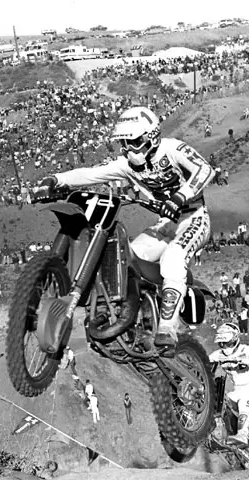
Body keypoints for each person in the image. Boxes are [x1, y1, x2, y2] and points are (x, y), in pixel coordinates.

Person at [41, 107, 215, 353]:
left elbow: (205, 170)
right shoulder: (126, 165)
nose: (129, 148)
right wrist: (56, 180)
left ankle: (167, 329)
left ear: (151, 137)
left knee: (173, 260)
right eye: (124, 143)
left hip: (194, 218)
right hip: (165, 224)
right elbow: (92, 174)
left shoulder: (172, 149)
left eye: (133, 142)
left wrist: (179, 197)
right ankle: (138, 315)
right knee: (124, 259)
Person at [209, 323, 249, 446]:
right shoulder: (218, 354)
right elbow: (204, 362)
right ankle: (221, 431)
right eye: (221, 343)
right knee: (218, 401)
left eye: (227, 343)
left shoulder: (247, 350)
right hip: (236, 392)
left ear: (235, 338)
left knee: (244, 400)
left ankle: (242, 435)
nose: (224, 346)